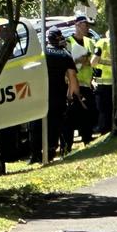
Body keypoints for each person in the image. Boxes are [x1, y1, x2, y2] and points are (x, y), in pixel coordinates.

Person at [37, 27, 79, 161]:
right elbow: (72, 77)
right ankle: (56, 148)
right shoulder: (65, 54)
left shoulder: (42, 54)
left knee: (44, 122)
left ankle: (42, 150)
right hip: (59, 94)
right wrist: (70, 95)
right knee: (58, 122)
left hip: (43, 94)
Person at [67, 16, 98, 143]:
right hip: (73, 86)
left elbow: (94, 61)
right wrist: (78, 61)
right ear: (77, 25)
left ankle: (87, 140)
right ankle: (67, 146)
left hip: (87, 84)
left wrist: (89, 62)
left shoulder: (90, 42)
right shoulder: (68, 42)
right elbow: (65, 63)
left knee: (88, 115)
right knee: (71, 116)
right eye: (85, 25)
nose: (87, 28)